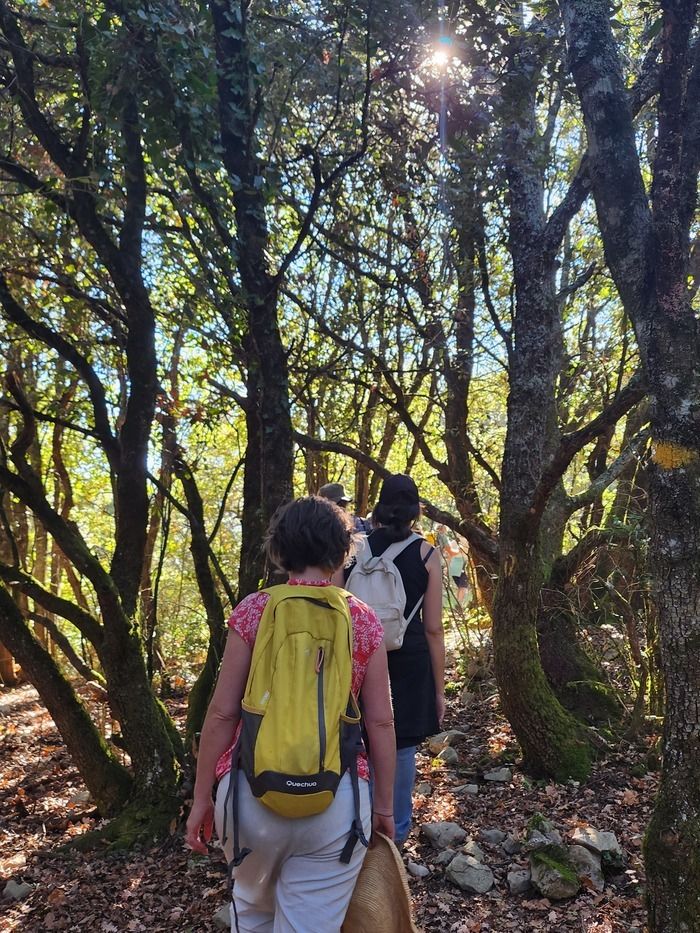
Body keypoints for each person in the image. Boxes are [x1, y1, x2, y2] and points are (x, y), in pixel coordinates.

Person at [186, 497, 396, 933]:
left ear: (279, 551)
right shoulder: (362, 619)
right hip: (337, 799)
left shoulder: (254, 610)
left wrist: (202, 796)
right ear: (343, 553)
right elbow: (380, 723)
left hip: (248, 794)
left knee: (251, 912)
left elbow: (222, 714)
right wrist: (384, 807)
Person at [337, 474, 445, 847]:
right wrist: (440, 690)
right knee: (400, 750)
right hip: (407, 659)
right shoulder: (427, 555)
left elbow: (335, 605)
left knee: (355, 742)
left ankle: (355, 830)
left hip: (357, 655)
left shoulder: (352, 549)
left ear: (380, 507)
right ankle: (393, 838)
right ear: (416, 511)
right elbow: (433, 629)